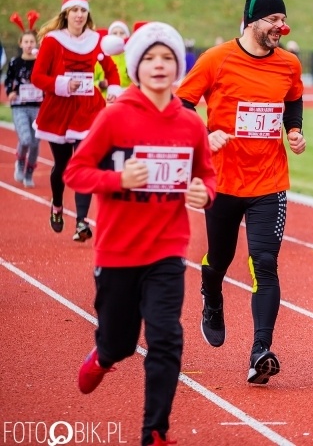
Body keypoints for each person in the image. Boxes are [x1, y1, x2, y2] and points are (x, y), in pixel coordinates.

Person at [64, 22, 216, 446]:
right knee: (121, 343)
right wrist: (118, 179)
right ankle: (104, 355)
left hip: (167, 249)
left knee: (166, 338)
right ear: (135, 67)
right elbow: (76, 172)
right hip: (118, 251)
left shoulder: (190, 124)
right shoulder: (115, 117)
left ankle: (155, 431)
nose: (159, 65)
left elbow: (206, 175)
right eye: (150, 58)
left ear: (177, 66)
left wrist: (204, 193)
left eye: (167, 57)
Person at [176, 0, 306, 385]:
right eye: (274, 19)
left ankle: (260, 351)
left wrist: (294, 129)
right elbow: (181, 105)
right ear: (251, 22)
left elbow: (293, 99)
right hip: (223, 181)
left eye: (284, 19)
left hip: (269, 181)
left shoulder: (289, 64)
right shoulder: (216, 59)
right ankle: (211, 293)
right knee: (220, 258)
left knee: (264, 262)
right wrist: (204, 134)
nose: (281, 27)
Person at [32, 0, 122, 242]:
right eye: (75, 10)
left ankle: (82, 221)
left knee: (85, 163)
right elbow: (37, 77)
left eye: (83, 10)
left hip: (88, 109)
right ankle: (57, 204)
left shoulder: (95, 40)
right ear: (66, 14)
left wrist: (113, 91)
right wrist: (61, 84)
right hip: (59, 110)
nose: (79, 15)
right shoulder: (53, 41)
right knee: (62, 165)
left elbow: (111, 70)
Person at [5, 11, 42, 188]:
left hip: (38, 106)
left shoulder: (41, 62)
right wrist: (10, 92)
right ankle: (20, 162)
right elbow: (8, 80)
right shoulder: (15, 63)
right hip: (19, 105)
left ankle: (29, 172)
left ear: (36, 44)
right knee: (26, 139)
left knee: (35, 143)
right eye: (26, 42)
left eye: (31, 42)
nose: (28, 45)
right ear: (20, 44)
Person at [95, 20, 131, 100]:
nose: (118, 36)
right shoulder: (101, 58)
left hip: (127, 99)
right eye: (114, 33)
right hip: (105, 100)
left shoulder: (132, 57)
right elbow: (89, 82)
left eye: (122, 33)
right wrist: (100, 84)